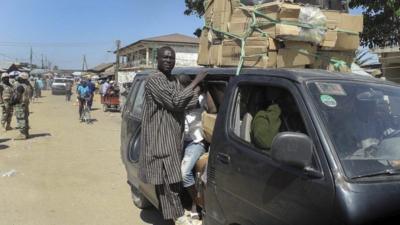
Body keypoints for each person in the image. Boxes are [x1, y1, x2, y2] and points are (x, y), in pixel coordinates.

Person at [139, 46, 206, 225]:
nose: (169, 61)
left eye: (172, 58)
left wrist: (197, 93)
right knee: (170, 184)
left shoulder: (172, 80)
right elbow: (175, 101)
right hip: (161, 140)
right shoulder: (155, 80)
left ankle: (173, 219)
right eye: (165, 58)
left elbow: (186, 103)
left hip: (173, 141)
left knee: (170, 185)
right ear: (157, 59)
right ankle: (179, 218)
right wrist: (195, 82)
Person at [178, 75, 207, 223]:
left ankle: (198, 204)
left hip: (196, 142)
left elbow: (212, 108)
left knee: (185, 173)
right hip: (181, 141)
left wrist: (201, 90)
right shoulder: (178, 99)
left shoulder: (201, 98)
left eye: (185, 86)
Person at [12, 72, 33, 140]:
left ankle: (22, 134)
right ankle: (26, 133)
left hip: (20, 104)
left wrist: (12, 103)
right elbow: (31, 94)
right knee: (25, 118)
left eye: (20, 77)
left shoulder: (20, 86)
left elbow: (17, 96)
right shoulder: (29, 85)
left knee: (20, 119)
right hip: (26, 104)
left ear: (22, 78)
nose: (18, 78)